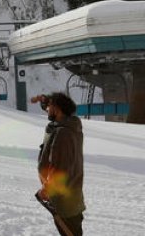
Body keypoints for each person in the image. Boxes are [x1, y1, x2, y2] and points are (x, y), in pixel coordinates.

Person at [32, 92, 86, 236]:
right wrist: (44, 100)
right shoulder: (69, 126)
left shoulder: (63, 133)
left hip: (65, 200)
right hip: (70, 196)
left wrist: (46, 188)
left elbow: (60, 167)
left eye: (49, 106)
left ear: (57, 108)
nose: (47, 110)